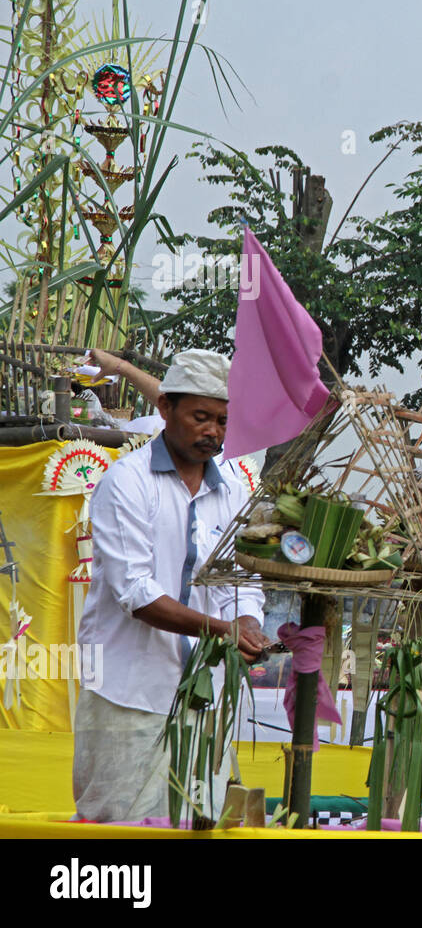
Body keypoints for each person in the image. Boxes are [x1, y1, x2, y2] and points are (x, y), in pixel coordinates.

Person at [73, 349, 271, 822]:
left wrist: (247, 622)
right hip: (128, 691)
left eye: (223, 422)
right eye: (201, 417)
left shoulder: (233, 493)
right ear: (165, 409)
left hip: (206, 694)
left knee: (204, 821)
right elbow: (134, 592)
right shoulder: (126, 481)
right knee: (122, 827)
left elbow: (243, 581)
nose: (213, 432)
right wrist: (221, 630)